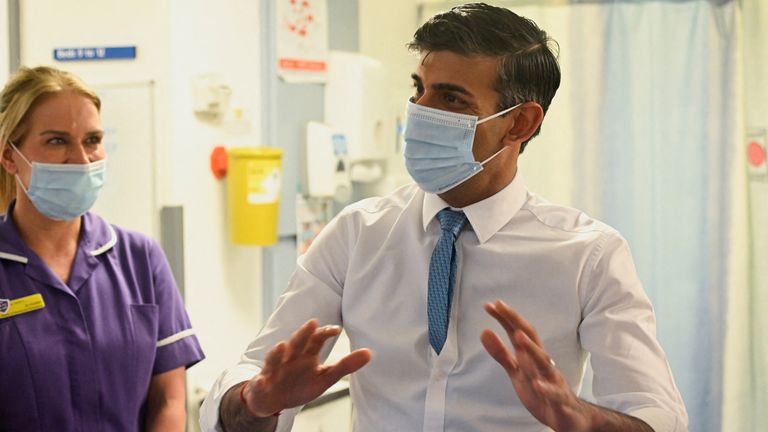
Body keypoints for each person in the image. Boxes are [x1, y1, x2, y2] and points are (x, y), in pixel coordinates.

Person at [200, 3, 688, 432]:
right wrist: (255, 401)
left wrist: (584, 419)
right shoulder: (356, 234)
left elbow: (658, 415)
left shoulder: (589, 255)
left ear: (520, 122)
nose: (419, 111)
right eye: (420, 89)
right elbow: (248, 380)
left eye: (451, 98)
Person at [0, 66, 205, 431]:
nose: (81, 159)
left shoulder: (140, 258)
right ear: (9, 157)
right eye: (57, 141)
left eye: (92, 140)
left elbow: (169, 401)